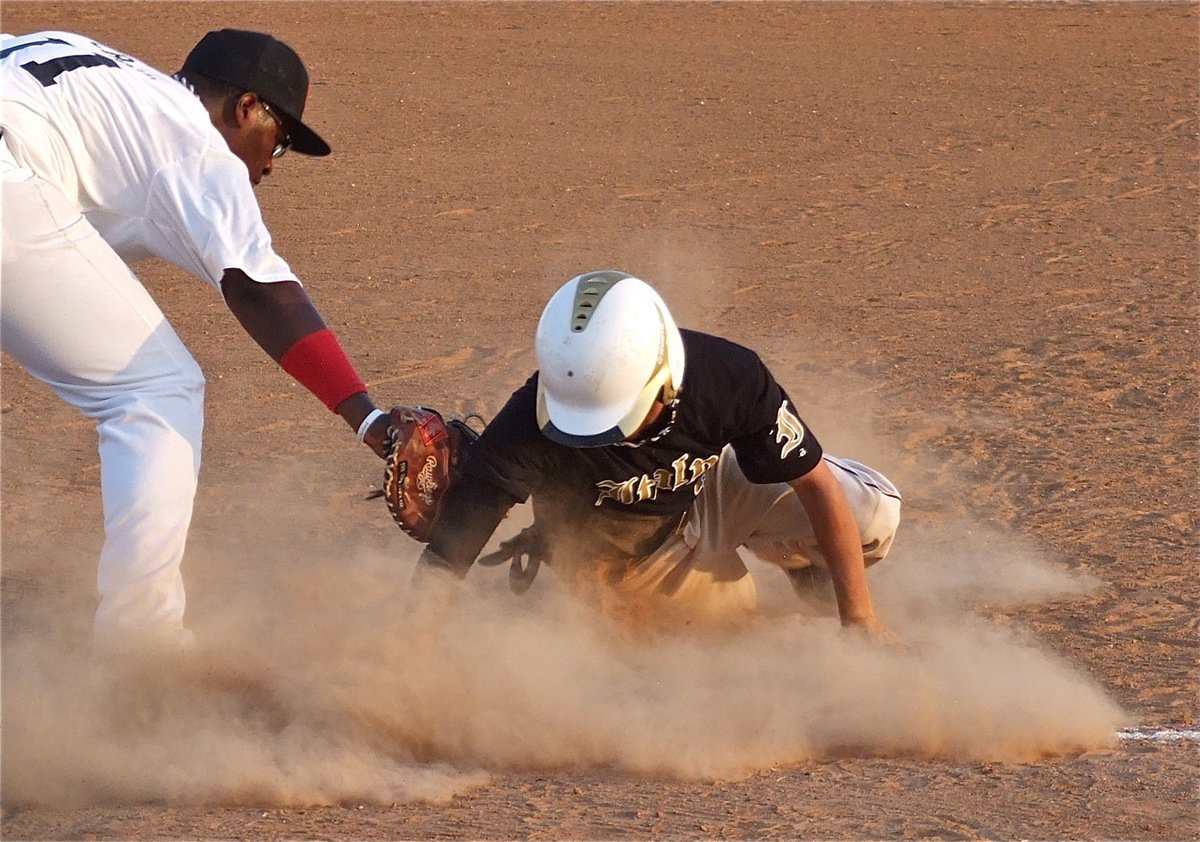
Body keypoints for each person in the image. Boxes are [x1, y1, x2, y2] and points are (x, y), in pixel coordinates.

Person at [0, 29, 395, 655]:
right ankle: (142, 647)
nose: (268, 165)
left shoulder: (95, 72)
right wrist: (371, 419)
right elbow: (260, 289)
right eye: (280, 140)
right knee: (157, 392)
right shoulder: (193, 140)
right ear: (245, 108)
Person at [414, 270, 902, 639]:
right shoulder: (531, 424)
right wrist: (402, 660)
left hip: (708, 483)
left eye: (619, 419)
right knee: (726, 639)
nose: (604, 438)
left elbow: (813, 483)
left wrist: (860, 621)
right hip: (631, 553)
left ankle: (807, 571)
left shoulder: (727, 377)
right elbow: (447, 557)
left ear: (666, 378)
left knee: (872, 514)